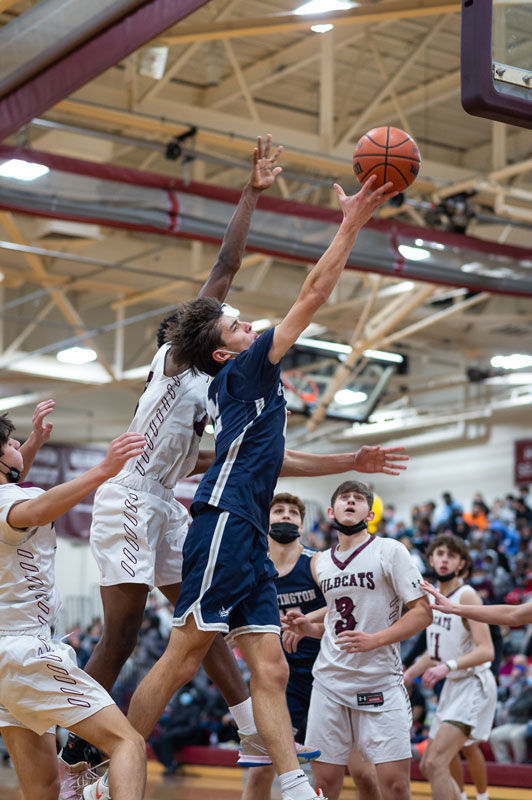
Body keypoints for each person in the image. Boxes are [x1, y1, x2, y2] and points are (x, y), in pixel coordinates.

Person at [105, 175, 400, 800]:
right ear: (220, 352)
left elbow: (280, 461)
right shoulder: (245, 370)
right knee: (182, 654)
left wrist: (355, 457)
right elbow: (313, 293)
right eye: (237, 324)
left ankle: (292, 787)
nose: (248, 325)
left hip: (247, 524)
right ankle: (116, 767)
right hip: (223, 520)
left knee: (269, 665)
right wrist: (350, 224)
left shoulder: (243, 382)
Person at [0, 410, 147, 800]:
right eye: (10, 443)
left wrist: (31, 444)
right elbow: (32, 510)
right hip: (25, 651)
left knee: (44, 788)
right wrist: (104, 469)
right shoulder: (13, 505)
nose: (18, 446)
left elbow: (11, 490)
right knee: (127, 744)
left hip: (5, 662)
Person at [283, 480, 432, 800]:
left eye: (358, 499)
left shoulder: (390, 550)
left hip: (379, 681)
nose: (351, 502)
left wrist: (376, 639)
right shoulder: (319, 562)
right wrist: (308, 627)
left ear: (370, 511)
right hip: (329, 683)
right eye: (344, 498)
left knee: (395, 785)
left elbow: (422, 613)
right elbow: (338, 619)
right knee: (323, 784)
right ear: (330, 511)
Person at [243, 492, 380, 800]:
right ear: (266, 521)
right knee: (260, 770)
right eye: (279, 511)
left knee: (363, 774)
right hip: (280, 682)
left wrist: (306, 626)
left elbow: (348, 608)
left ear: (302, 527)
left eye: (293, 513)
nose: (286, 516)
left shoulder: (318, 563)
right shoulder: (253, 569)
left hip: (330, 674)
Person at [404, 534, 497, 800]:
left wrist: (448, 666)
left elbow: (486, 650)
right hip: (453, 685)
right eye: (440, 554)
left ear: (461, 564)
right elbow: (434, 653)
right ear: (430, 559)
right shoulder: (431, 596)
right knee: (427, 764)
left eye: (452, 555)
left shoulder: (467, 596)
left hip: (473, 684)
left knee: (438, 762)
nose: (444, 559)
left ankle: (482, 795)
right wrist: (409, 673)